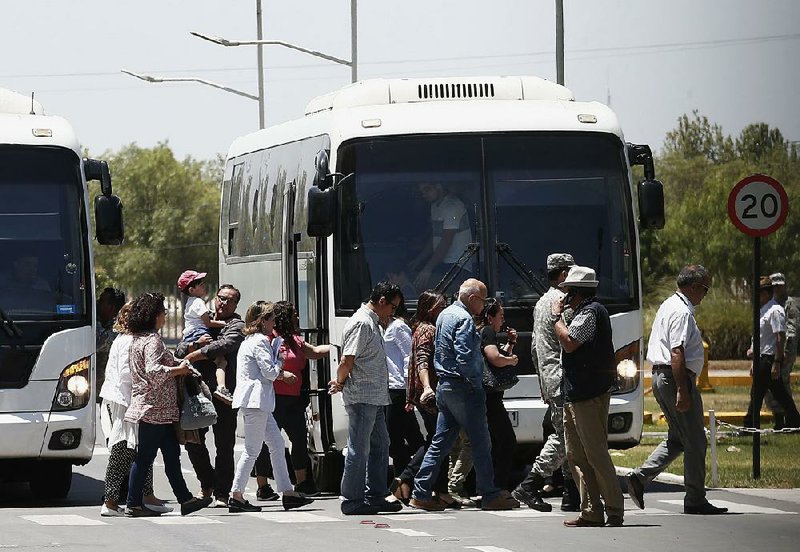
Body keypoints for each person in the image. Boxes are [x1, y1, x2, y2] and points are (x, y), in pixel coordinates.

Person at [626, 264, 728, 516]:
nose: (705, 294)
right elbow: (677, 351)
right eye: (705, 289)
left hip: (664, 377)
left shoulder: (668, 304)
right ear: (694, 287)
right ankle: (695, 498)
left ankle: (640, 478)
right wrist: (683, 389)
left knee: (678, 438)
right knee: (695, 440)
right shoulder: (682, 312)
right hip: (675, 379)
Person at [410, 278, 519, 512]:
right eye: (483, 300)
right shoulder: (464, 319)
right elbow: (464, 355)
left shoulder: (445, 315)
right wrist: (475, 380)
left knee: (441, 442)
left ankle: (420, 492)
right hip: (464, 387)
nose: (484, 305)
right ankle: (490, 494)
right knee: (481, 442)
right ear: (472, 299)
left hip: (445, 387)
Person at [123, 292, 212, 517]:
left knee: (172, 455)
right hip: (154, 409)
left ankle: (185, 499)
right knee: (144, 458)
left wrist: (180, 363)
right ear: (154, 315)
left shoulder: (139, 339)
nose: (165, 316)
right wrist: (178, 371)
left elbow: (160, 362)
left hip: (159, 410)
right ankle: (133, 503)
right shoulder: (152, 339)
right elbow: (153, 370)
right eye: (163, 312)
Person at [551, 265, 624, 527]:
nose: (564, 296)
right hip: (576, 393)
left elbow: (570, 342)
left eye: (568, 291)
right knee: (576, 455)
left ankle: (614, 508)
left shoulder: (591, 313)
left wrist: (557, 318)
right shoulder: (583, 312)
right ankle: (591, 510)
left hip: (588, 394)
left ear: (576, 292)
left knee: (595, 453)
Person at [228, 301, 314, 513]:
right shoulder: (258, 341)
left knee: (276, 444)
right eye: (271, 318)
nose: (274, 322)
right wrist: (281, 366)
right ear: (262, 321)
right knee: (252, 450)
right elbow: (269, 371)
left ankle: (288, 492)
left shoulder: (253, 340)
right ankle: (236, 494)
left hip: (259, 402)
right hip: (256, 402)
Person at [329, 281, 404, 515]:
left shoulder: (372, 322)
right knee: (358, 449)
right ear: (382, 302)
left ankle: (376, 495)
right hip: (362, 396)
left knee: (381, 446)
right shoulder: (362, 322)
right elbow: (347, 359)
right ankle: (352, 499)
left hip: (375, 396)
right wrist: (339, 382)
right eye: (392, 307)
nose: (393, 313)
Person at [513, 253, 579, 512]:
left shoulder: (541, 302)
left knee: (568, 435)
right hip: (563, 378)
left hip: (550, 378)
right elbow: (571, 340)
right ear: (563, 275)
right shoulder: (563, 303)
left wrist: (543, 381)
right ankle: (530, 484)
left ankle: (571, 495)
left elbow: (534, 347)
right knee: (565, 436)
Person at [253, 300, 331, 498]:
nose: (297, 317)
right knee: (266, 442)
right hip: (273, 399)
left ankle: (302, 482)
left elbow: (314, 352)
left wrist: (337, 345)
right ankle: (263, 486)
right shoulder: (268, 339)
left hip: (294, 400)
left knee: (298, 441)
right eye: (294, 314)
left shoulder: (295, 340)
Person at [176, 284, 245, 508]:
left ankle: (222, 492)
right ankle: (207, 483)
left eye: (229, 300)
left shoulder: (235, 324)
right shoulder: (199, 318)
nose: (223, 303)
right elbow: (179, 350)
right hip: (196, 391)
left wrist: (196, 353)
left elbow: (227, 345)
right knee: (193, 441)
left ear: (235, 305)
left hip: (223, 393)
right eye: (220, 298)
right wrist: (195, 345)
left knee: (224, 445)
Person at [99, 302, 170, 517]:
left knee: (142, 448)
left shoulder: (131, 339)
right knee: (123, 448)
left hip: (131, 399)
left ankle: (147, 495)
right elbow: (124, 375)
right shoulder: (128, 341)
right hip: (124, 400)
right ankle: (110, 501)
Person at [392, 290, 460, 508]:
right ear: (429, 308)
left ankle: (439, 489)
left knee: (439, 440)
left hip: (424, 393)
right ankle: (405, 478)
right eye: (440, 306)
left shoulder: (420, 328)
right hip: (429, 394)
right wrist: (428, 387)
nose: (444, 310)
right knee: (437, 441)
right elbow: (421, 360)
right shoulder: (428, 330)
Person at [743, 276, 800, 429]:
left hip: (769, 359)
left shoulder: (775, 310)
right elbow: (760, 337)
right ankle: (794, 420)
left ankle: (750, 424)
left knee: (759, 393)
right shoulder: (764, 310)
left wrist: (777, 361)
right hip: (761, 359)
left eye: (759, 293)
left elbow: (780, 336)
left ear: (766, 293)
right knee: (775, 393)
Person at [478, 298, 519, 491]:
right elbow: (495, 358)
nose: (502, 321)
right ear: (489, 317)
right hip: (490, 398)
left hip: (489, 397)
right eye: (500, 317)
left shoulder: (487, 333)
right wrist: (511, 361)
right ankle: (498, 487)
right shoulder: (487, 331)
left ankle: (490, 486)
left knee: (494, 442)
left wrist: (510, 343)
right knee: (507, 441)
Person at [384, 293, 425, 479]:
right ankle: (408, 481)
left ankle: (406, 479)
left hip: (399, 389)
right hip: (392, 388)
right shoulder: (387, 327)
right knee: (404, 439)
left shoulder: (398, 327)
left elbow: (410, 358)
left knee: (397, 440)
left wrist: (410, 392)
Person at [177, 270, 230, 404]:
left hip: (190, 336)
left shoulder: (189, 302)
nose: (203, 286)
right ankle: (222, 388)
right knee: (221, 361)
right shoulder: (198, 302)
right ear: (192, 289)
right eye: (200, 284)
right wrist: (226, 324)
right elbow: (208, 323)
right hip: (200, 333)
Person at [409, 182, 472, 290]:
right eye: (421, 192)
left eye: (427, 189)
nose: (424, 194)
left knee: (426, 285)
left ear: (439, 186)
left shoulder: (452, 207)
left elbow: (446, 241)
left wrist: (427, 269)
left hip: (459, 265)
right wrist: (419, 260)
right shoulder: (435, 206)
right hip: (444, 262)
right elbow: (435, 238)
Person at [765, 272, 799, 429]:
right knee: (773, 386)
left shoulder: (789, 304)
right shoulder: (769, 303)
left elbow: (792, 329)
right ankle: (779, 419)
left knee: (781, 385)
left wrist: (785, 353)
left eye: (780, 285)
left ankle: (790, 419)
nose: (777, 288)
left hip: (784, 351)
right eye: (774, 286)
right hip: (772, 350)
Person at [95, 287, 126, 398]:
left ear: (112, 308)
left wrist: (94, 320)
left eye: (102, 301)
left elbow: (97, 343)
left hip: (109, 389)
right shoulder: (106, 322)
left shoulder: (118, 329)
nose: (97, 303)